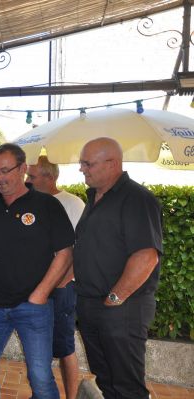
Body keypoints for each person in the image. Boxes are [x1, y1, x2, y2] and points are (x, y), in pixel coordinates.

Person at [0, 143, 74, 399]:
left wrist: (40, 294)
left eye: (5, 170)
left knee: (40, 379)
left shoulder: (46, 205)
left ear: (22, 169)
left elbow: (65, 254)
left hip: (33, 307)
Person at [73, 137, 162, 399]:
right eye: (82, 163)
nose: (82, 169)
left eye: (87, 163)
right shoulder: (95, 197)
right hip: (92, 305)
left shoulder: (137, 198)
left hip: (121, 309)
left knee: (127, 386)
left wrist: (114, 299)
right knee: (107, 379)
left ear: (112, 163)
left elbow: (146, 256)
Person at [26, 155, 85, 399]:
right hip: (34, 287)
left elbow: (81, 250)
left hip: (61, 289)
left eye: (32, 176)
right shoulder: (31, 202)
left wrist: (63, 280)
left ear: (49, 178)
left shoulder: (73, 204)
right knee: (36, 347)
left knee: (64, 347)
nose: (27, 180)